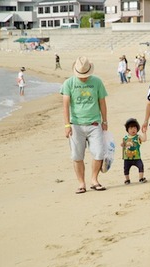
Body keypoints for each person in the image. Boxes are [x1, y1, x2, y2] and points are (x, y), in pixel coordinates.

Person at [61, 56, 108, 194]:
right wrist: (66, 125)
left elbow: (102, 103)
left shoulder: (97, 82)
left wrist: (105, 121)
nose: (83, 78)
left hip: (94, 124)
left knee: (99, 153)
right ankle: (82, 183)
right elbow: (65, 105)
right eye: (81, 75)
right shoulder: (68, 83)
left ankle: (94, 180)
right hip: (76, 125)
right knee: (77, 156)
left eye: (85, 75)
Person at [121, 118, 147, 184]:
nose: (133, 130)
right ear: (127, 130)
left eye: (135, 128)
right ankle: (127, 179)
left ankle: (141, 178)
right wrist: (122, 144)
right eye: (131, 128)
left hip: (136, 157)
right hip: (127, 158)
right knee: (126, 169)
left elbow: (144, 140)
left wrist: (144, 132)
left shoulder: (138, 137)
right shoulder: (125, 138)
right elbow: (124, 145)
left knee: (141, 166)